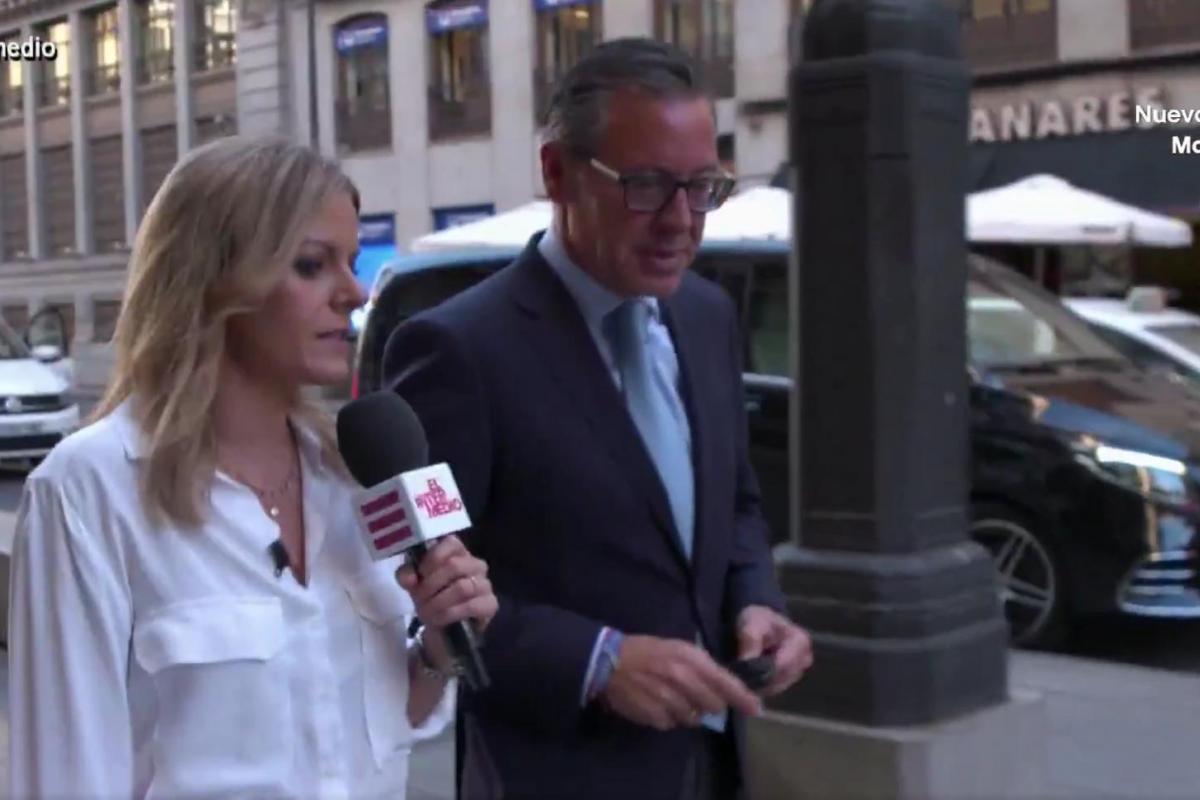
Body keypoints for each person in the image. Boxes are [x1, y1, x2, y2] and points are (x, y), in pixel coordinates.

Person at [382, 38, 812, 800]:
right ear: (557, 173)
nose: (681, 221)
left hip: (711, 768)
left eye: (703, 187)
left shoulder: (708, 316)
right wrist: (596, 662)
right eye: (646, 186)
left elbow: (736, 503)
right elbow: (422, 600)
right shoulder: (456, 351)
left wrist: (756, 599)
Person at [8, 135, 498, 799]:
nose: (354, 293)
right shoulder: (90, 489)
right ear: (214, 281)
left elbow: (369, 733)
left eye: (351, 262)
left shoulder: (349, 475)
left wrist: (438, 649)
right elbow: (64, 776)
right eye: (311, 265)